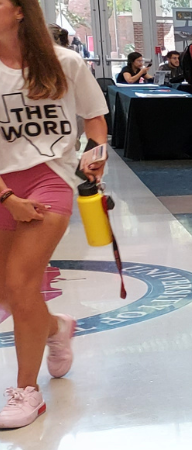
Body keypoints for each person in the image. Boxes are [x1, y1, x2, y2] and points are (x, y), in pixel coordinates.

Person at [0, 0, 107, 428]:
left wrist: (95, 156)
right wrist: (7, 198)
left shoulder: (65, 63)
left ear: (21, 10)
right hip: (5, 184)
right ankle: (56, 328)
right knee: (8, 294)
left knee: (21, 281)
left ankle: (27, 391)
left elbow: (95, 120)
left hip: (51, 179)